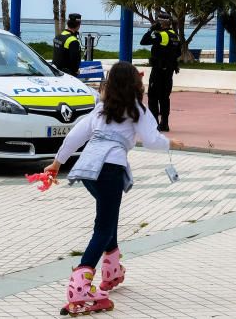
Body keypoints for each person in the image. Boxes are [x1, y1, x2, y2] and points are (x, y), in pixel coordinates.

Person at [44, 61, 184, 316]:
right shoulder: (137, 110)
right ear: (135, 84)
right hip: (110, 170)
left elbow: (75, 136)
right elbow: (152, 140)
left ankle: (112, 271)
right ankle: (80, 287)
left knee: (109, 218)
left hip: (87, 171)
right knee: (104, 226)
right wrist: (170, 142)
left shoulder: (101, 110)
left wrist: (56, 163)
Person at [140, 12, 180, 132]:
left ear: (161, 23)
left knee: (152, 97)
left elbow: (144, 41)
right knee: (165, 97)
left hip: (158, 71)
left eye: (157, 22)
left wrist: (151, 29)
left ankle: (154, 123)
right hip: (169, 71)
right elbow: (178, 52)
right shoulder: (174, 35)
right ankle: (165, 123)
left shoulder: (162, 36)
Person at [53, 14, 83, 78]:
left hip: (56, 72)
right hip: (67, 75)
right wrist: (75, 71)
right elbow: (74, 61)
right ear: (78, 25)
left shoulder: (58, 36)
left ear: (68, 23)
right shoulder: (73, 41)